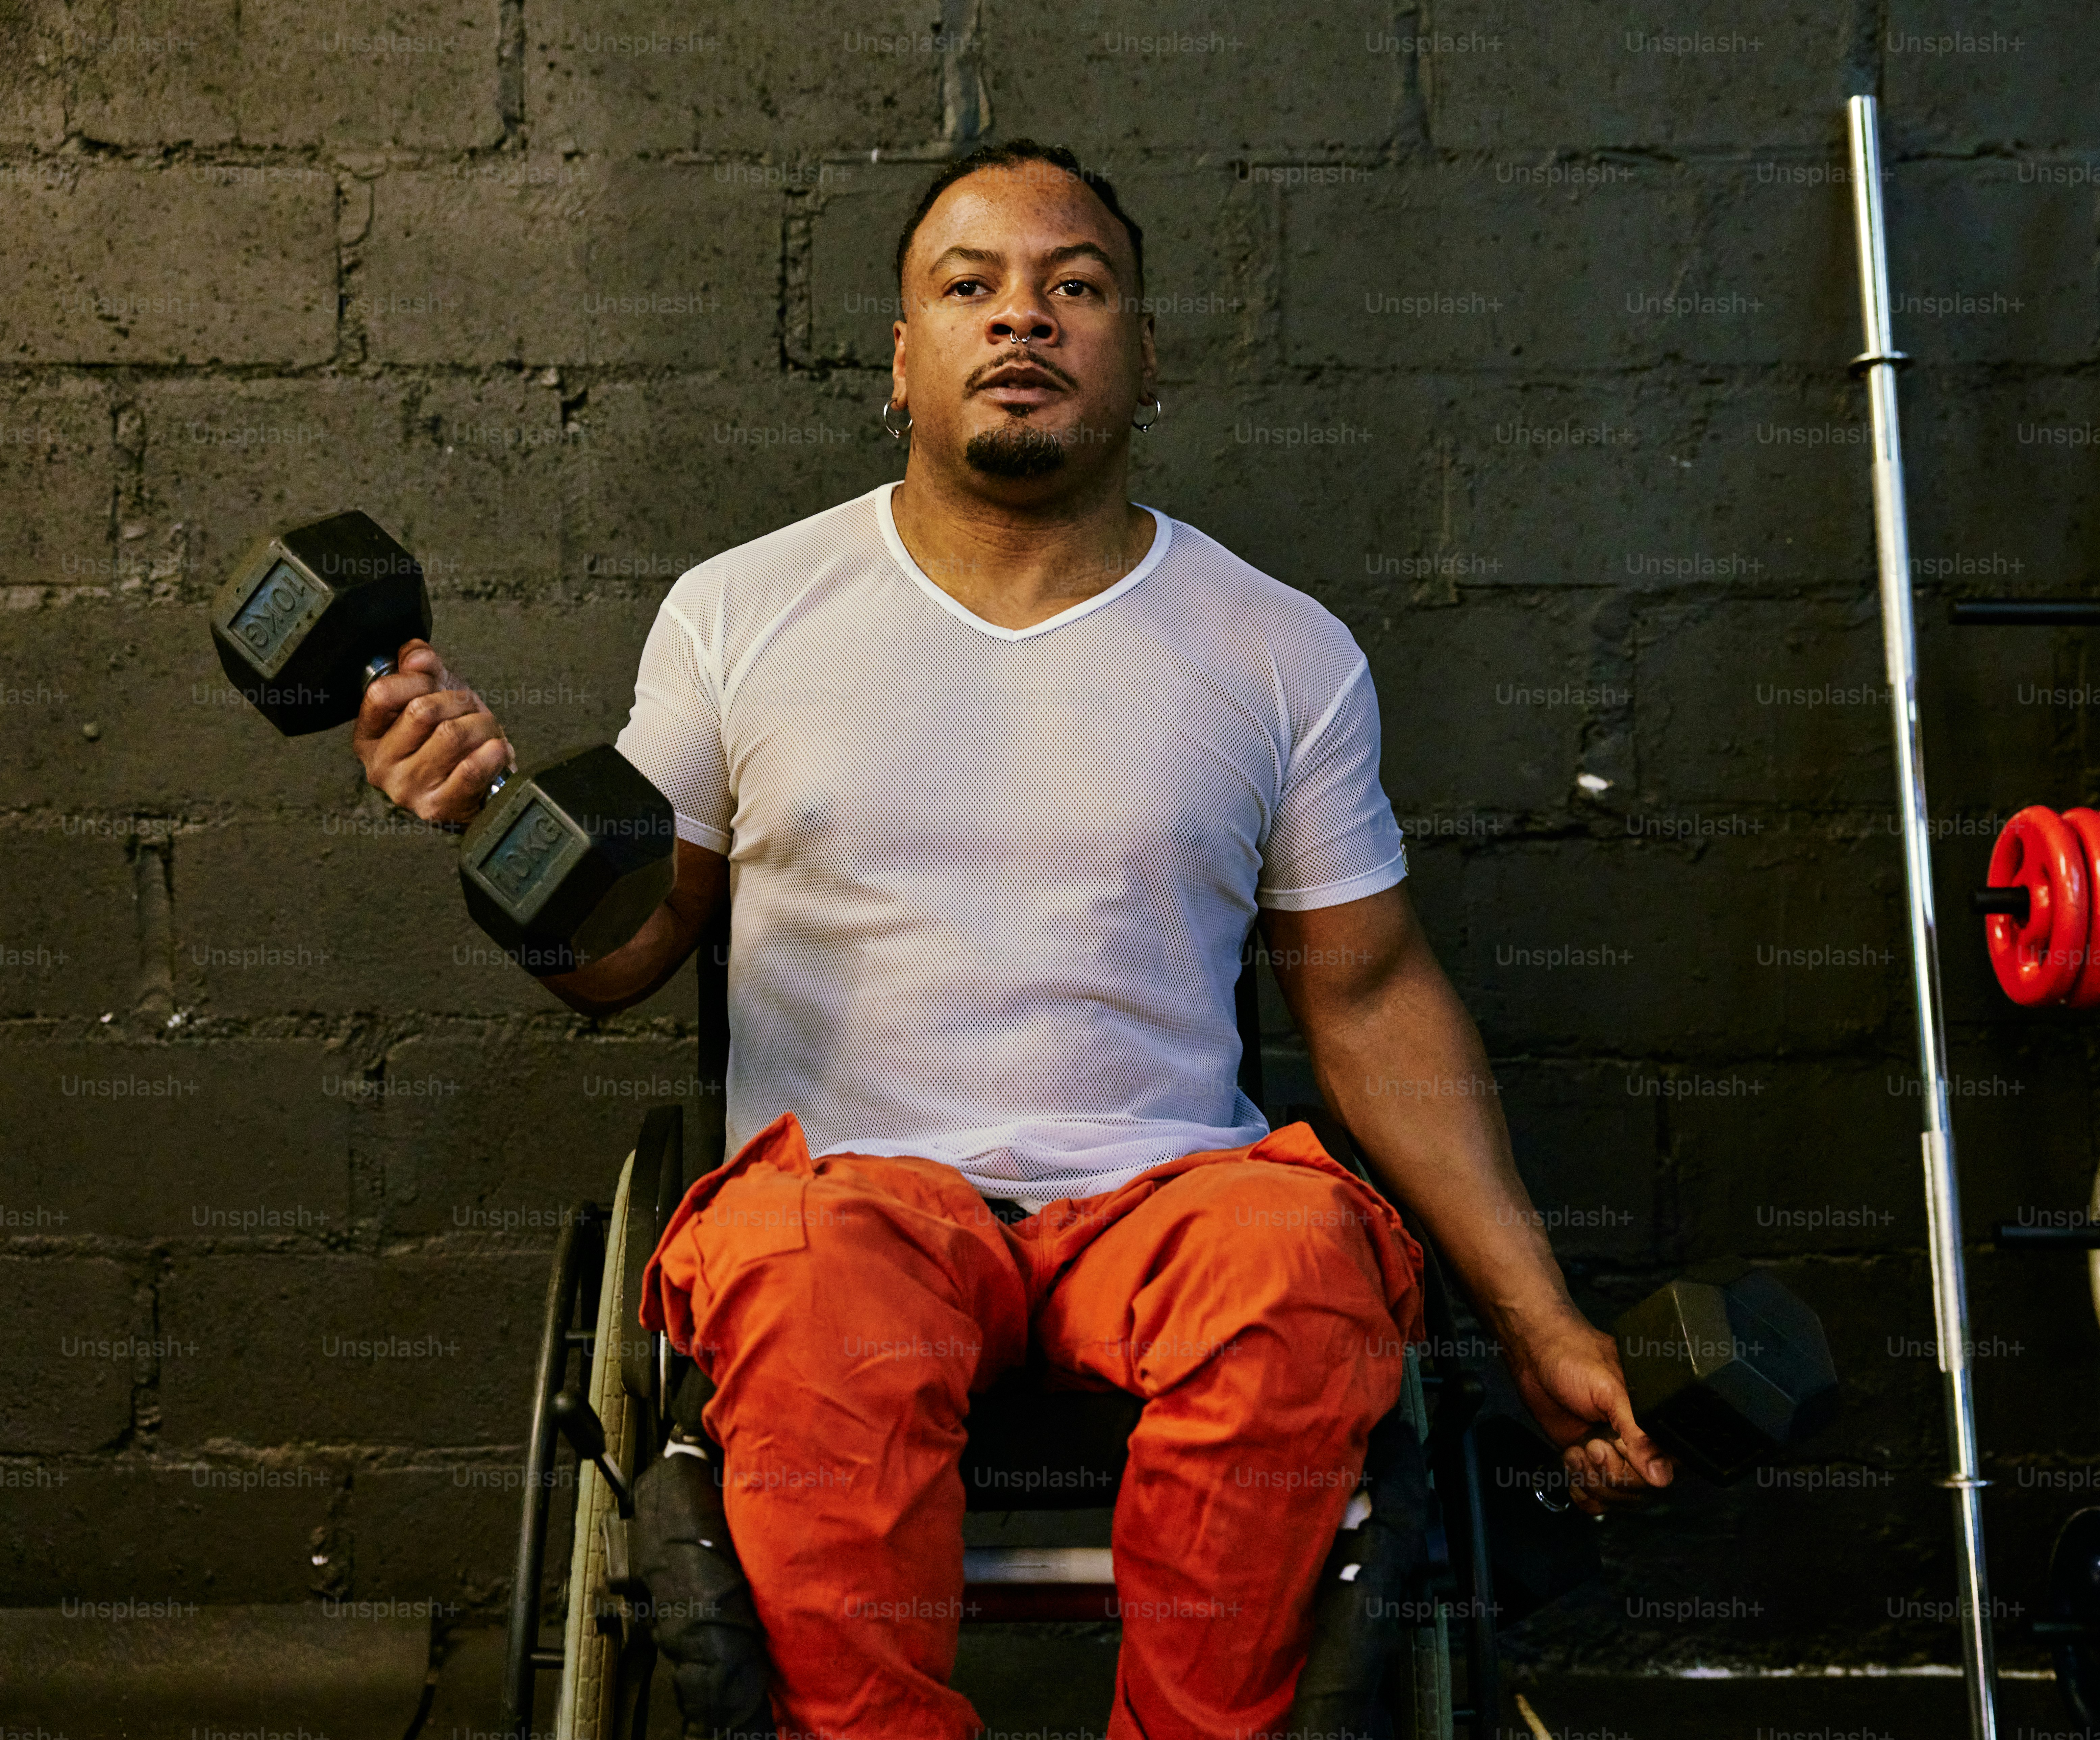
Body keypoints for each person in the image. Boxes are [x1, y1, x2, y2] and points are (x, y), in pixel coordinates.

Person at [352, 138, 1670, 1740]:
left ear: (1145, 354)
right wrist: (495, 830)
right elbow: (630, 956)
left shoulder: (1279, 646)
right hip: (856, 1197)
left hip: (1171, 1198)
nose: (1021, 318)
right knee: (795, 1273)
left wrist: (1539, 1321)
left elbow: (1372, 992)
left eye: (1075, 286)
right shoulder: (737, 611)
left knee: (1302, 1262)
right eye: (968, 288)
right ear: (904, 360)